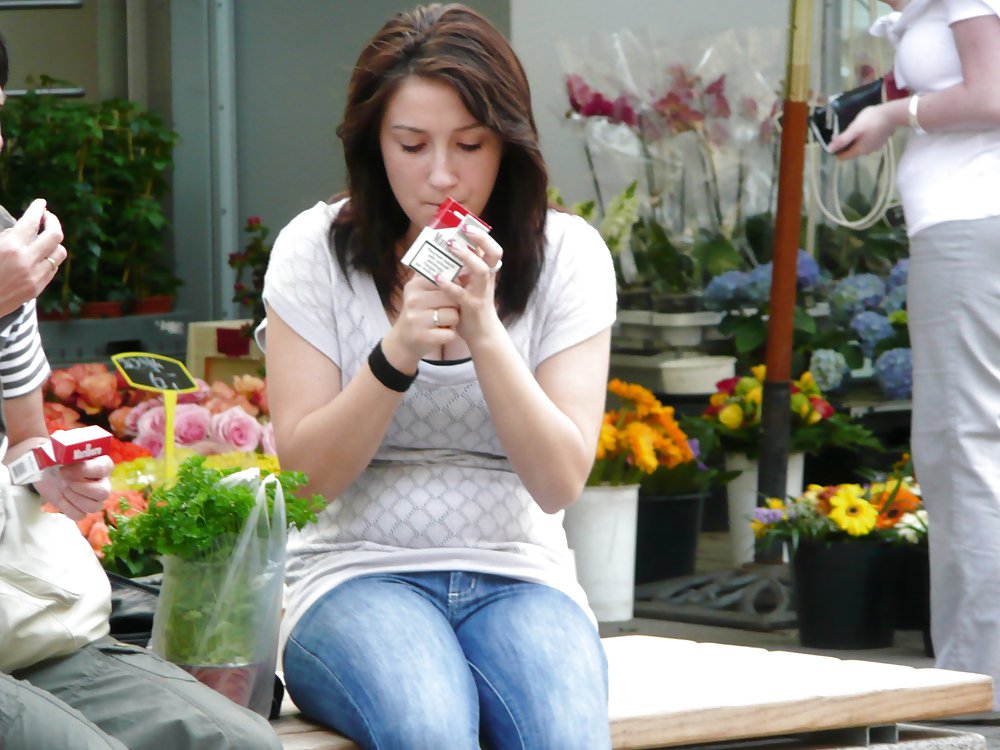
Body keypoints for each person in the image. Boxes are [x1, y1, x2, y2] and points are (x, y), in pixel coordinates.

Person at [259, 4, 616, 747]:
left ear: (509, 146)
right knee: (429, 727)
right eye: (412, 145)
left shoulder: (570, 255)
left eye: (471, 144)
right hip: (354, 575)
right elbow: (304, 484)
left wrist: (483, 330)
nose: (442, 175)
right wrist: (396, 354)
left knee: (561, 736)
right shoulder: (312, 252)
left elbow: (558, 481)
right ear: (373, 143)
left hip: (522, 577)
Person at [0, 31, 283, 749]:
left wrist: (48, 469)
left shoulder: (8, 250)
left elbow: (24, 438)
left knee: (242, 742)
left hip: (25, 622)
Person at [830, 0, 1000, 709]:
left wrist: (896, 116)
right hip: (971, 223)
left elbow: (991, 93)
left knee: (964, 451)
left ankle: (975, 678)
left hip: (970, 224)